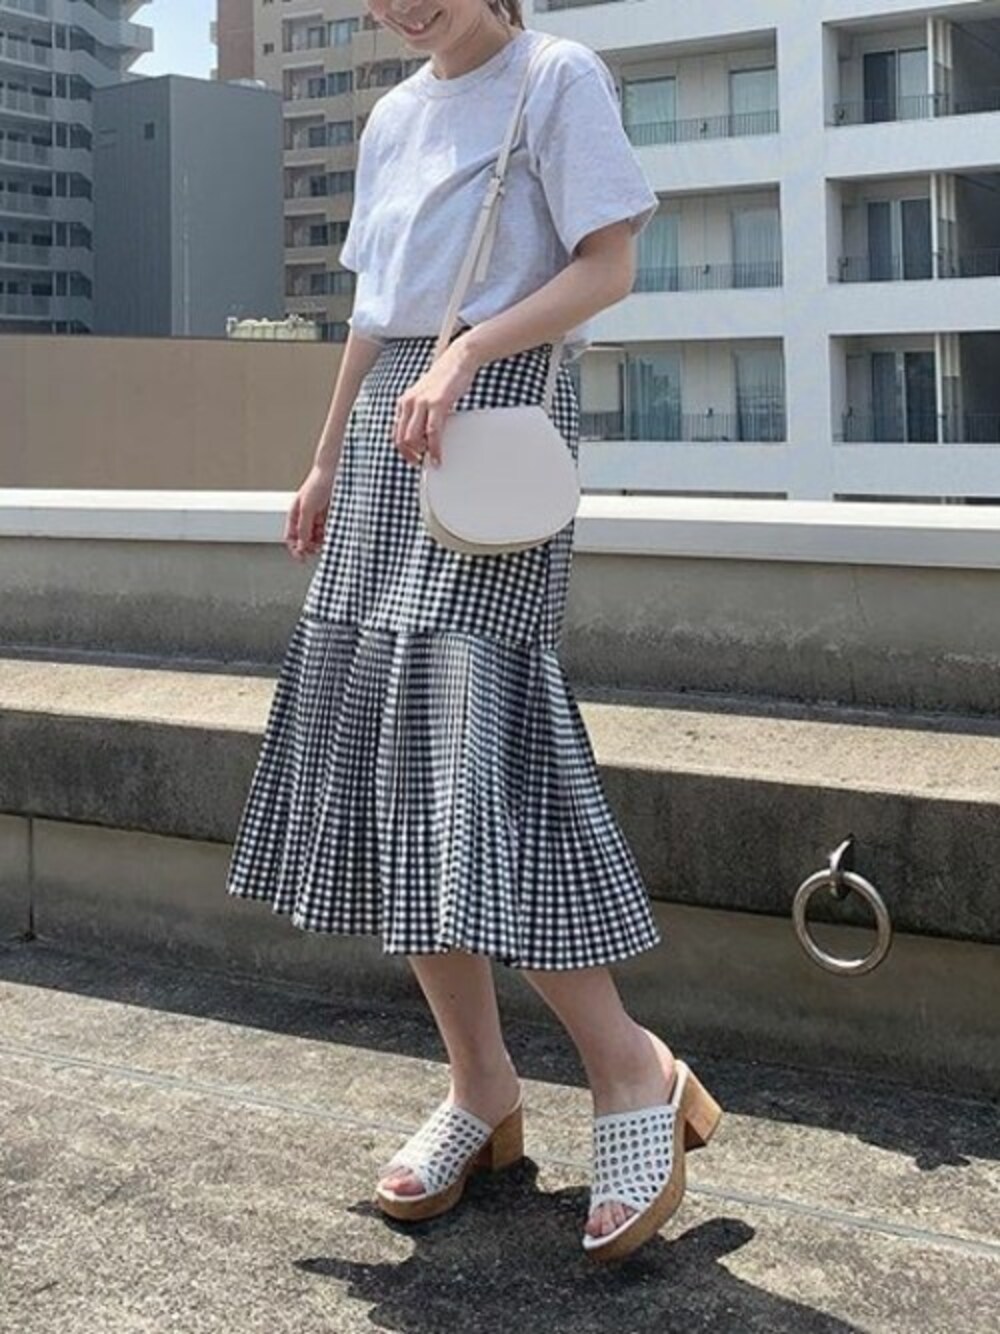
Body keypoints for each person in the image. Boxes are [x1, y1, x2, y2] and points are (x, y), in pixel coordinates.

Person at [226, 0, 722, 1262]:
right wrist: (324, 459)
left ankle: (629, 1066)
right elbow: (375, 310)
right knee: (394, 765)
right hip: (390, 440)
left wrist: (465, 355)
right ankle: (481, 1086)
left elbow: (608, 265)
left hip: (494, 424)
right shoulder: (394, 114)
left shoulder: (557, 77)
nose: (401, 5)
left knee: (482, 752)